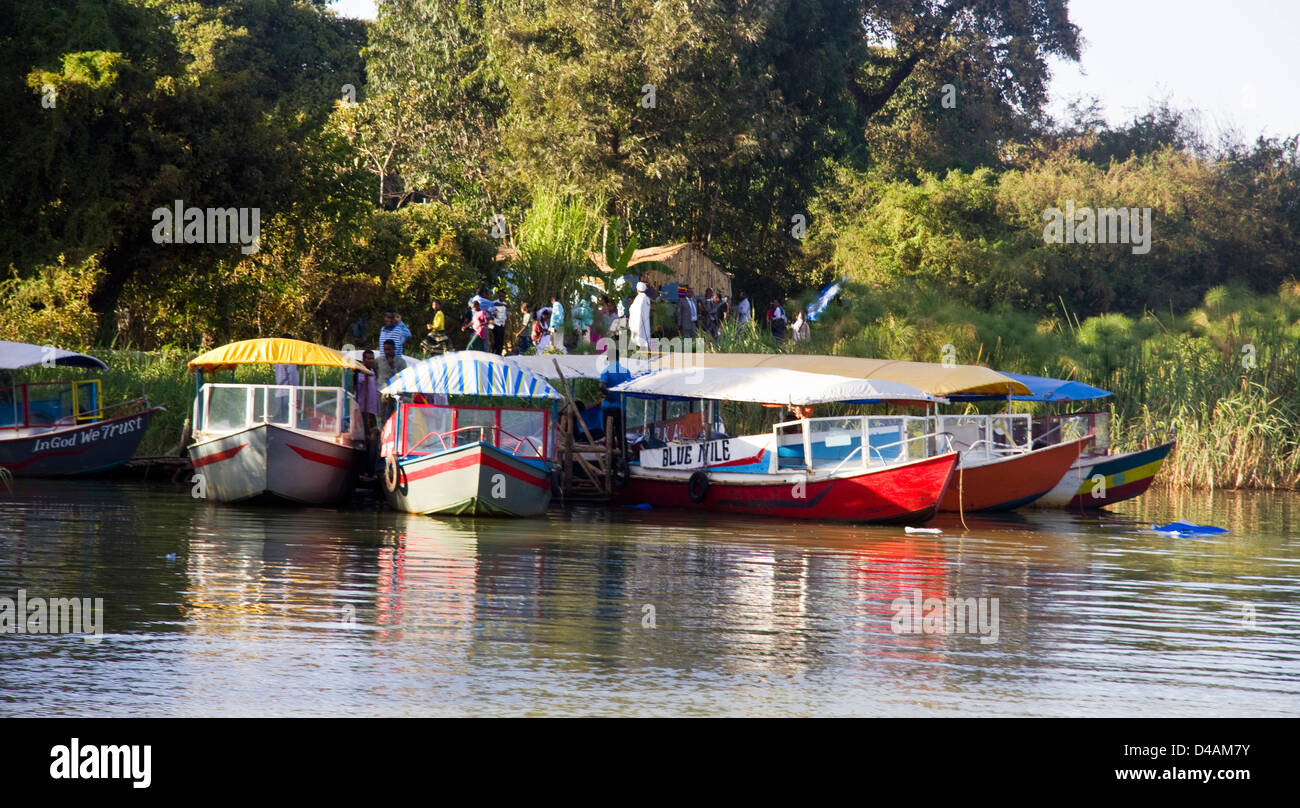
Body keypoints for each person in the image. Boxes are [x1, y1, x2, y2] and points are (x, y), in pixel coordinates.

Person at [356, 350, 380, 479]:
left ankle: (371, 469)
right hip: (363, 411)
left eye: (372, 358)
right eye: (368, 359)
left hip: (372, 412)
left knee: (373, 440)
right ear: (364, 359)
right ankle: (363, 470)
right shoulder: (360, 374)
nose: (371, 361)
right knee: (365, 440)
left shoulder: (373, 374)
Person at [628, 281, 653, 350]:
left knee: (638, 337)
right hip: (645, 321)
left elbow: (632, 310)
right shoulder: (647, 298)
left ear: (638, 290)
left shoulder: (638, 299)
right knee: (645, 335)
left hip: (637, 322)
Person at [491, 288, 509, 354]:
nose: (502, 297)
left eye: (503, 296)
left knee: (501, 340)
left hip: (502, 324)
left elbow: (507, 313)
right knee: (497, 340)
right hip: (496, 324)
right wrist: (494, 316)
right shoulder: (494, 303)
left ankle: (499, 354)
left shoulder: (505, 304)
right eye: (501, 296)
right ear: (498, 296)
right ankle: (494, 353)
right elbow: (490, 311)